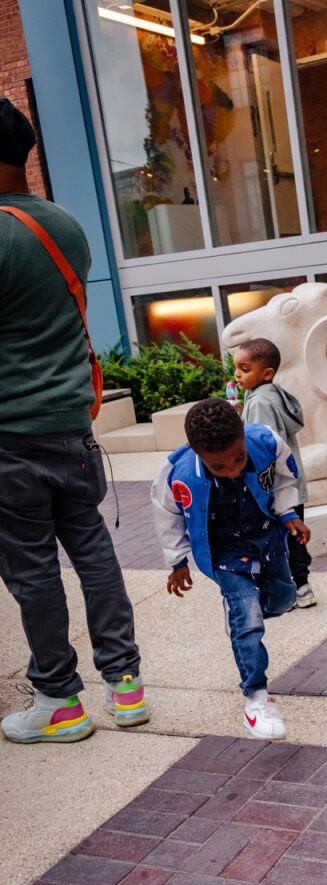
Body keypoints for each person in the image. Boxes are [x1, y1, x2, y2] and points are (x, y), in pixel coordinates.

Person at [0, 97, 148, 744]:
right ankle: (126, 685)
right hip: (71, 427)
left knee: (32, 570)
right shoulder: (64, 223)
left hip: (11, 437)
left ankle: (59, 699)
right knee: (92, 552)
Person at [151, 397, 310, 739]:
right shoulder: (178, 473)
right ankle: (256, 698)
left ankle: (241, 617)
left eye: (239, 458)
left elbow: (285, 478)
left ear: (243, 432)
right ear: (197, 453)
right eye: (219, 467)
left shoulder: (266, 442)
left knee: (284, 599)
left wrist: (287, 512)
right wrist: (177, 560)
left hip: (266, 539)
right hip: (223, 552)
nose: (233, 470)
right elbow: (167, 514)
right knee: (248, 619)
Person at [232, 338, 316, 609]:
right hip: (290, 481)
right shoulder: (273, 394)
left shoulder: (259, 402)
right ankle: (302, 586)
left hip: (274, 486)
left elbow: (262, 446)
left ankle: (291, 591)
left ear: (267, 373)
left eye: (245, 369)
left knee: (278, 539)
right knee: (295, 535)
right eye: (236, 368)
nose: (237, 374)